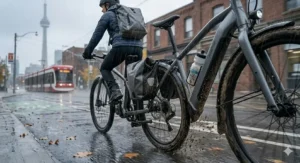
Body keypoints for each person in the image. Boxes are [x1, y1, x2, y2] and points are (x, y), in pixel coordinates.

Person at [82, 0, 143, 102]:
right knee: (131, 80)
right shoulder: (127, 13)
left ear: (107, 4)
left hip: (121, 47)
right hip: (138, 48)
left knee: (105, 68)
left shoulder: (108, 15)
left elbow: (96, 36)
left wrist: (87, 52)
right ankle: (139, 114)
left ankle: (115, 91)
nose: (102, 10)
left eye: (102, 7)